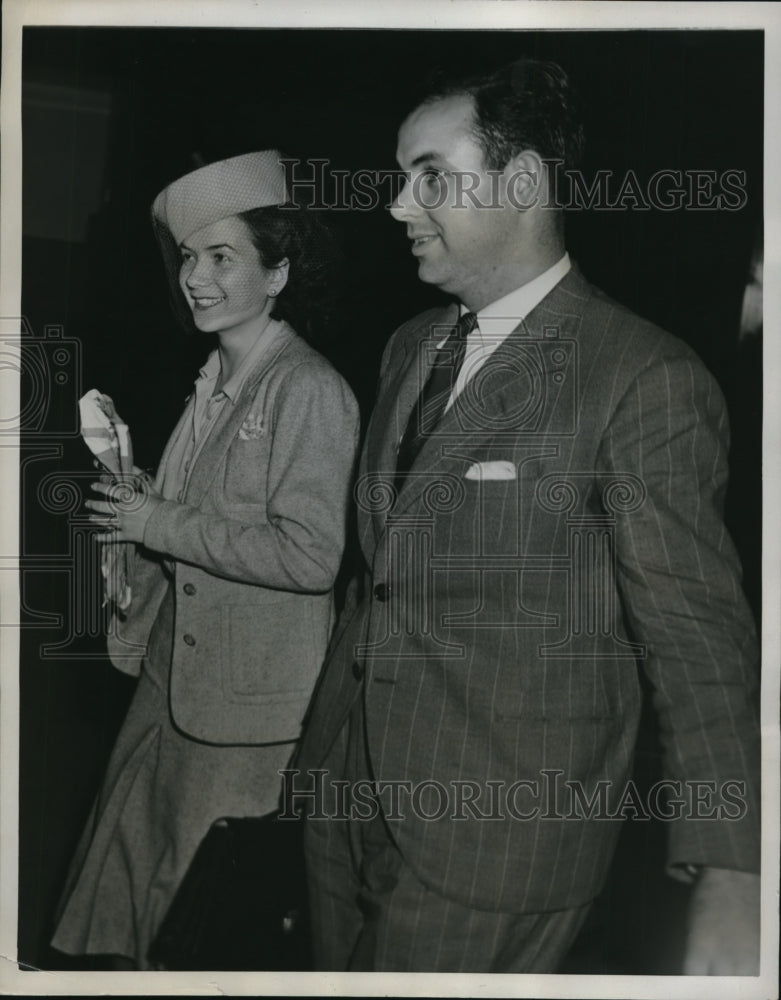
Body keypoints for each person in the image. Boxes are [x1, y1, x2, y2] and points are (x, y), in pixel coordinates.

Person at [293, 60, 761, 973]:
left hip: (494, 849)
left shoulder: (642, 378)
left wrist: (732, 869)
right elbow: (379, 581)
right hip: (341, 800)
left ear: (521, 183)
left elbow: (698, 641)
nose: (395, 205)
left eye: (429, 175)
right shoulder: (408, 346)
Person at [50, 151, 360, 969]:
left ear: (279, 271)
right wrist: (133, 507)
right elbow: (201, 516)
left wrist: (160, 519)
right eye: (189, 256)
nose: (195, 277)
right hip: (174, 683)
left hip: (247, 716)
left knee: (204, 926)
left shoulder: (306, 389)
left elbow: (311, 555)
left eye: (222, 258)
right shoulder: (215, 375)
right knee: (136, 902)